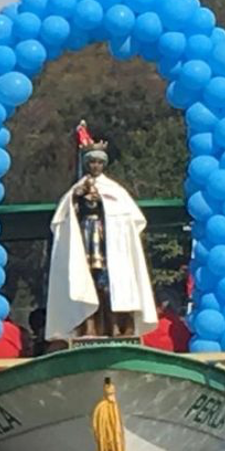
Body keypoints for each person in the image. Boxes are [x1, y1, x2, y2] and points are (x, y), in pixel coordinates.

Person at [46, 123, 157, 341]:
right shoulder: (75, 190)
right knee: (87, 285)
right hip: (86, 241)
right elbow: (62, 220)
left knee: (113, 288)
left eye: (98, 162)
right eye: (91, 162)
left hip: (111, 245)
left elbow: (132, 220)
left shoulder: (115, 191)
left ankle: (117, 327)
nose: (95, 166)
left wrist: (103, 205)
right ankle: (89, 328)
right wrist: (77, 199)